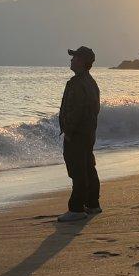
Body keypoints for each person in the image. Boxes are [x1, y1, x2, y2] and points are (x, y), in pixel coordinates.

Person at [56, 44, 101, 222]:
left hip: (77, 133)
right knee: (88, 166)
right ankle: (92, 203)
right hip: (88, 132)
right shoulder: (90, 82)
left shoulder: (77, 83)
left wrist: (69, 130)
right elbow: (94, 109)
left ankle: (76, 208)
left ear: (82, 61)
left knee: (77, 170)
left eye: (74, 57)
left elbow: (76, 110)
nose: (71, 60)